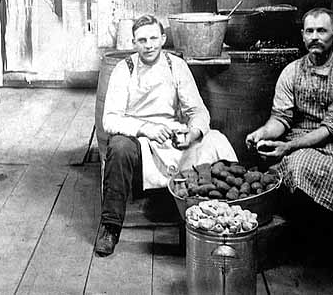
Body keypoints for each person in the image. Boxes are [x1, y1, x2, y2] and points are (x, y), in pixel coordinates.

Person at [95, 15, 237, 257]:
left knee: (216, 141)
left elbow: (198, 111)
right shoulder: (124, 69)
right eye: (142, 40)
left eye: (153, 38)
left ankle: (216, 221)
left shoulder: (175, 65)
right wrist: (145, 129)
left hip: (171, 137)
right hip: (138, 138)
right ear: (134, 43)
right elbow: (110, 119)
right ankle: (110, 227)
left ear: (162, 39)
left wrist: (191, 134)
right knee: (118, 147)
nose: (148, 45)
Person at [245, 7, 333, 226]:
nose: (314, 37)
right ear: (303, 35)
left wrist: (288, 147)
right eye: (309, 31)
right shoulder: (291, 71)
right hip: (299, 139)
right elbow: (281, 118)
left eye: (322, 31)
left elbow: (331, 128)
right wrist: (262, 132)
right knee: (296, 164)